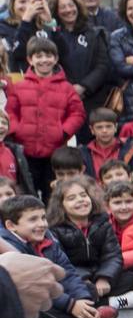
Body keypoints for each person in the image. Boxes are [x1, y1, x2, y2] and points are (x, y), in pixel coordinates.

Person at [0, 194, 115, 318]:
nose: (42, 224)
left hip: (53, 292)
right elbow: (34, 287)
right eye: (33, 220)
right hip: (28, 297)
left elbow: (67, 272)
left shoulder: (48, 239)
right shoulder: (8, 247)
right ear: (11, 225)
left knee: (88, 288)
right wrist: (71, 305)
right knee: (43, 307)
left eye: (43, 218)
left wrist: (82, 299)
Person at [7, 37, 85, 198]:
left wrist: (62, 132)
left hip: (54, 151)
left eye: (48, 56)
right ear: (30, 59)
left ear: (55, 58)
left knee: (54, 193)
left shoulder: (67, 88)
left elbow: (77, 114)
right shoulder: (19, 86)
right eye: (39, 56)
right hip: (25, 151)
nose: (44, 60)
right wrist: (17, 130)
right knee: (28, 192)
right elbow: (11, 112)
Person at [47, 176, 129, 308]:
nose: (80, 200)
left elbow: (113, 255)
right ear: (61, 206)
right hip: (76, 278)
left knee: (130, 278)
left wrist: (104, 277)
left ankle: (94, 302)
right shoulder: (55, 230)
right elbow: (62, 264)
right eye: (71, 198)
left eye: (83, 195)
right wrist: (84, 279)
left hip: (99, 275)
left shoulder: (102, 222)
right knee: (64, 288)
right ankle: (110, 303)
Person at [51, 0, 113, 125]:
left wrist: (83, 87)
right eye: (62, 7)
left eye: (71, 5)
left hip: (92, 99)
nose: (68, 10)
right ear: (56, 11)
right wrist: (69, 89)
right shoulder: (53, 36)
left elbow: (102, 65)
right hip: (62, 100)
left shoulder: (95, 33)